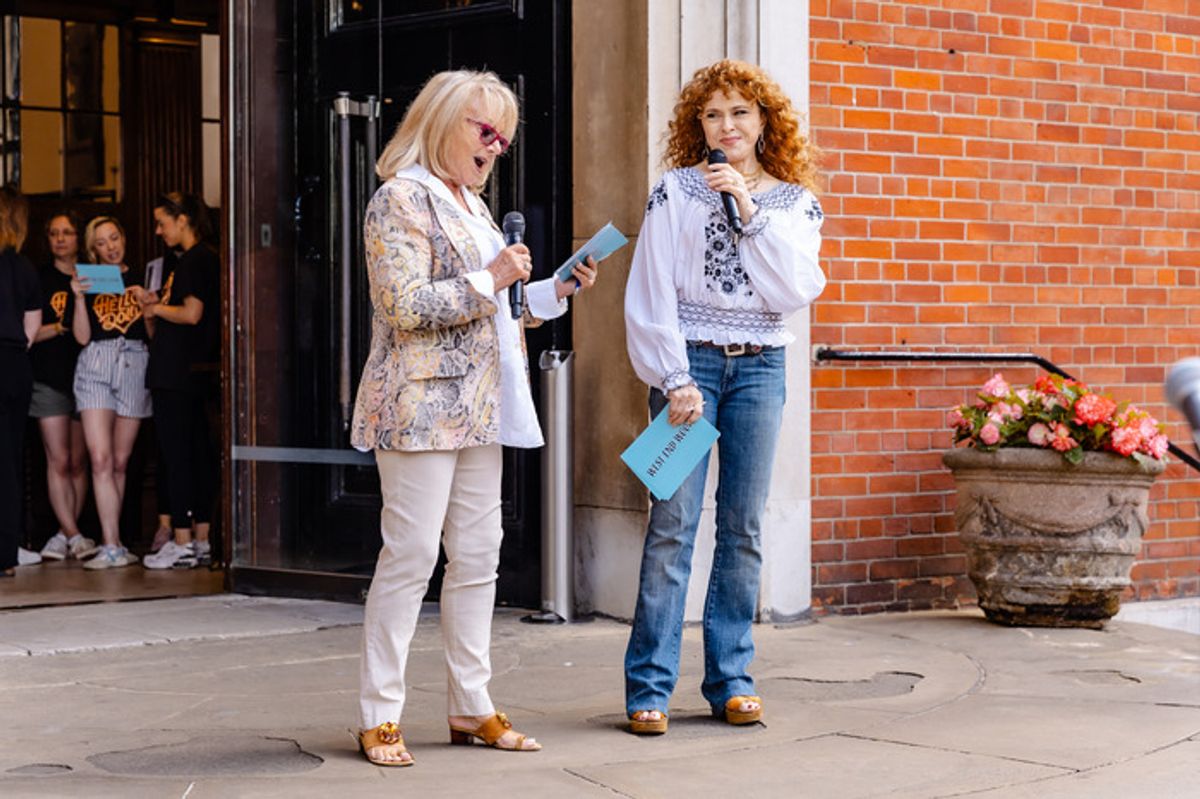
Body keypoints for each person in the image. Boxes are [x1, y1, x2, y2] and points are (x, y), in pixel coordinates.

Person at [350, 69, 596, 767]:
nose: (494, 148)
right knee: (412, 555)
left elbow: (500, 308)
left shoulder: (472, 206)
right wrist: (493, 277)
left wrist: (554, 288)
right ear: (442, 120)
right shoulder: (400, 198)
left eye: (504, 140)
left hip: (481, 407)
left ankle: (471, 704)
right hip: (421, 405)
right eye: (483, 131)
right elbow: (403, 305)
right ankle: (379, 714)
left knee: (479, 557)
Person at [622, 59, 826, 734]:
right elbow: (650, 290)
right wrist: (674, 377)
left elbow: (792, 292)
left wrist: (747, 205)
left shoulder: (794, 203)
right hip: (693, 370)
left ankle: (731, 679)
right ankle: (648, 687)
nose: (727, 124)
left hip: (762, 369)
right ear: (697, 125)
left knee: (743, 527)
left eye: (740, 111)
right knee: (673, 526)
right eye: (713, 113)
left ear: (764, 121)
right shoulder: (675, 192)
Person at [139, 193, 219, 570]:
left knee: (177, 456)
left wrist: (153, 308)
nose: (159, 231)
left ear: (183, 220)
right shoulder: (206, 258)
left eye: (163, 223)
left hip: (176, 372)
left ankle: (183, 539)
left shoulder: (193, 260)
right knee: (197, 453)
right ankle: (200, 537)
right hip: (191, 371)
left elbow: (191, 314)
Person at [72, 216, 151, 570]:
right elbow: (81, 337)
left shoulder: (142, 276)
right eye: (101, 242)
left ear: (123, 238)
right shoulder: (90, 279)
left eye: (114, 238)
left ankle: (115, 540)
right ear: (93, 249)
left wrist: (148, 304)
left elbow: (152, 334)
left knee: (120, 461)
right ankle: (110, 543)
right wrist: (76, 298)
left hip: (134, 361)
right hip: (96, 363)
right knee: (100, 459)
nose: (110, 246)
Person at [29, 211, 94, 563]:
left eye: (67, 232)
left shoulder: (91, 276)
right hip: (48, 376)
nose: (60, 239)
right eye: (54, 233)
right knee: (58, 459)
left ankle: (62, 534)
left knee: (80, 462)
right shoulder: (39, 278)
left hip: (87, 379)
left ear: (78, 238)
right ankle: (74, 533)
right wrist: (60, 327)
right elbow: (29, 333)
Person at [0, 188, 43, 576]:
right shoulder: (26, 267)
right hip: (15, 364)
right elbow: (32, 330)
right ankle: (6, 555)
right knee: (10, 459)